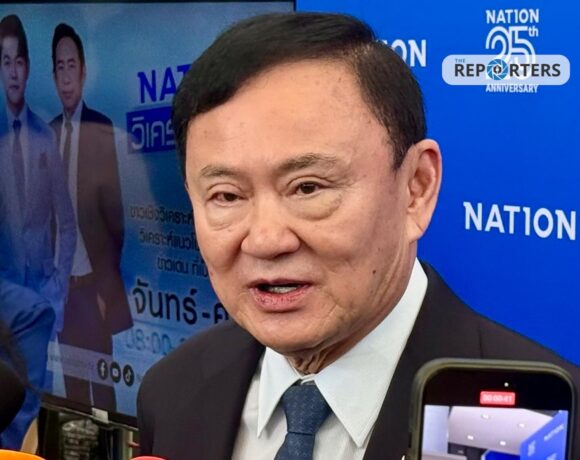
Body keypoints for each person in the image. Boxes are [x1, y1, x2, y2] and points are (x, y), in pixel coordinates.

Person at [137, 13, 580, 460]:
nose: (266, 240)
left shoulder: (543, 425)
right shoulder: (171, 390)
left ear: (416, 188)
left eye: (308, 188)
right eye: (227, 195)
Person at [0, 14, 76, 448]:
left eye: (18, 61)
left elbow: (67, 223)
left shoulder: (45, 138)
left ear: (27, 69)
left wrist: (57, 291)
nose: (12, 71)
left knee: (31, 415)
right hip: (4, 311)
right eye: (4, 61)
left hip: (38, 311)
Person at [50, 23, 132, 411]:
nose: (67, 77)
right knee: (72, 395)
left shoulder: (101, 130)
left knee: (105, 396)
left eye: (72, 66)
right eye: (60, 67)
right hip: (62, 293)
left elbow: (115, 221)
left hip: (92, 291)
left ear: (83, 72)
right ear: (54, 76)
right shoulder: (47, 134)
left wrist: (104, 289)